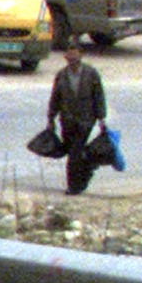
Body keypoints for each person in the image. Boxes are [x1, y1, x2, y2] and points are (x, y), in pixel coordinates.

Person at [46, 37, 110, 195]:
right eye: (69, 55)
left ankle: (73, 186)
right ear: (65, 57)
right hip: (67, 120)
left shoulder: (91, 74)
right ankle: (82, 178)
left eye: (75, 55)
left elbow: (99, 96)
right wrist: (51, 118)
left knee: (75, 152)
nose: (72, 59)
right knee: (73, 152)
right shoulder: (61, 75)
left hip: (86, 120)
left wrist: (101, 118)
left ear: (81, 56)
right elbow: (55, 98)